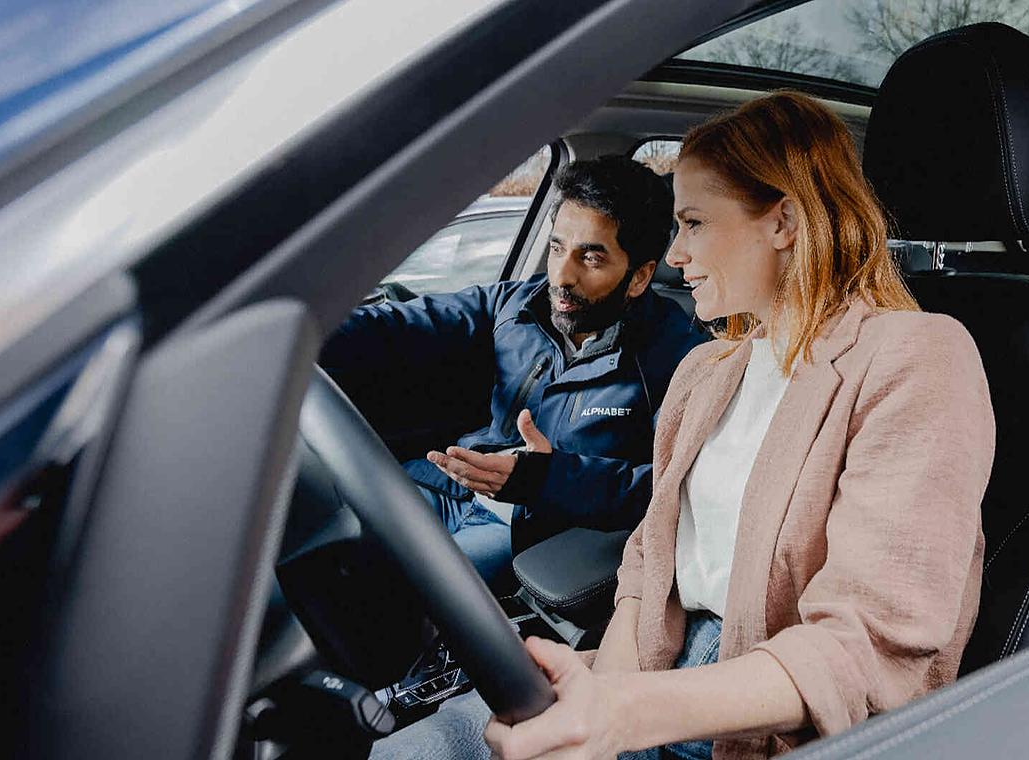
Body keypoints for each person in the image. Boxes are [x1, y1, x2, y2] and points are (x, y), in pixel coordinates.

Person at [372, 91, 994, 760]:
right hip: (656, 674)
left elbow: (869, 639)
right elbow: (646, 567)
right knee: (416, 750)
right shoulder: (706, 372)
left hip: (772, 716)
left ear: (783, 220)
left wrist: (622, 716)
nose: (673, 256)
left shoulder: (917, 354)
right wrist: (602, 697)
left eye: (693, 223)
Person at [319, 156, 709, 589]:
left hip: (535, 531)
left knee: (394, 591)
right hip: (451, 487)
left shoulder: (679, 359)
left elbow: (669, 489)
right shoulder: (518, 304)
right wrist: (305, 332)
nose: (562, 276)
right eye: (558, 248)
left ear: (639, 277)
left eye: (591, 259)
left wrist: (546, 479)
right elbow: (402, 325)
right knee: (315, 528)